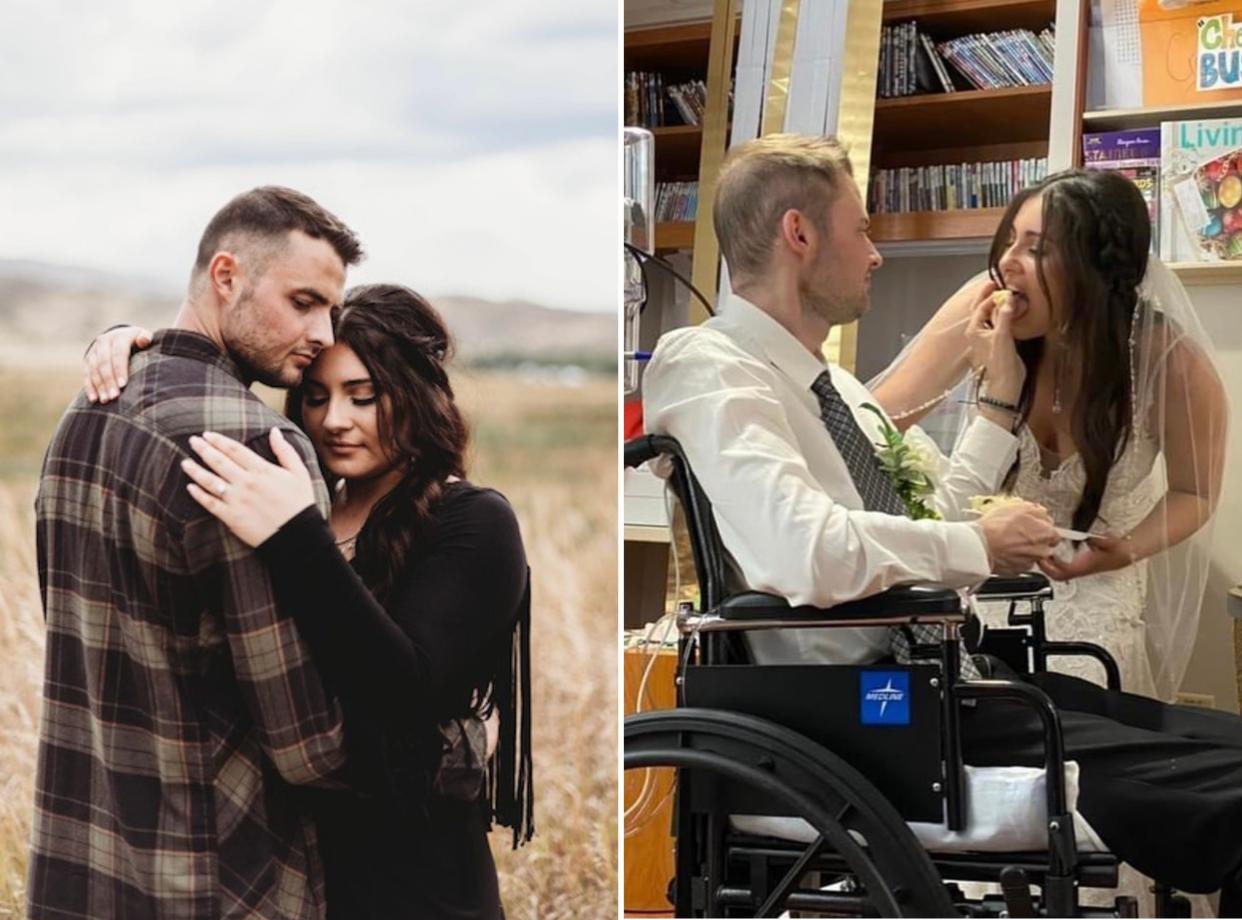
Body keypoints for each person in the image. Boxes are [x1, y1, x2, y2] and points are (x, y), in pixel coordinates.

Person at [642, 133, 1242, 910]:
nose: (876, 255)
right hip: (870, 708)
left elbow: (934, 532)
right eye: (861, 230)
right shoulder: (710, 364)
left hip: (944, 680)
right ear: (799, 234)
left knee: (1224, 742)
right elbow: (806, 550)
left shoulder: (839, 394)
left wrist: (996, 399)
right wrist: (975, 543)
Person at [85, 284, 533, 920]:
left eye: (363, 396)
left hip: (413, 882)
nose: (333, 420)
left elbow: (404, 688)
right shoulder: (303, 494)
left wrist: (297, 537)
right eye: (315, 397)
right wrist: (138, 346)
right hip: (283, 869)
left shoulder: (472, 522)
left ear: (417, 393)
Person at [30, 186, 362, 920]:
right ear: (225, 276)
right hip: (218, 877)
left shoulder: (83, 412)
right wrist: (455, 740)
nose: (321, 330)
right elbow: (309, 743)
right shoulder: (256, 448)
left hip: (82, 861)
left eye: (331, 308)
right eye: (303, 301)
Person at [869, 169, 1227, 702]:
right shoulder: (984, 308)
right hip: (979, 573)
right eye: (1009, 239)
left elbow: (1194, 494)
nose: (1007, 263)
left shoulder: (1167, 363)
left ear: (1097, 269)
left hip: (1096, 586)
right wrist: (982, 372)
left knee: (1078, 710)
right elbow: (874, 425)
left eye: (1036, 249)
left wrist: (1121, 551)